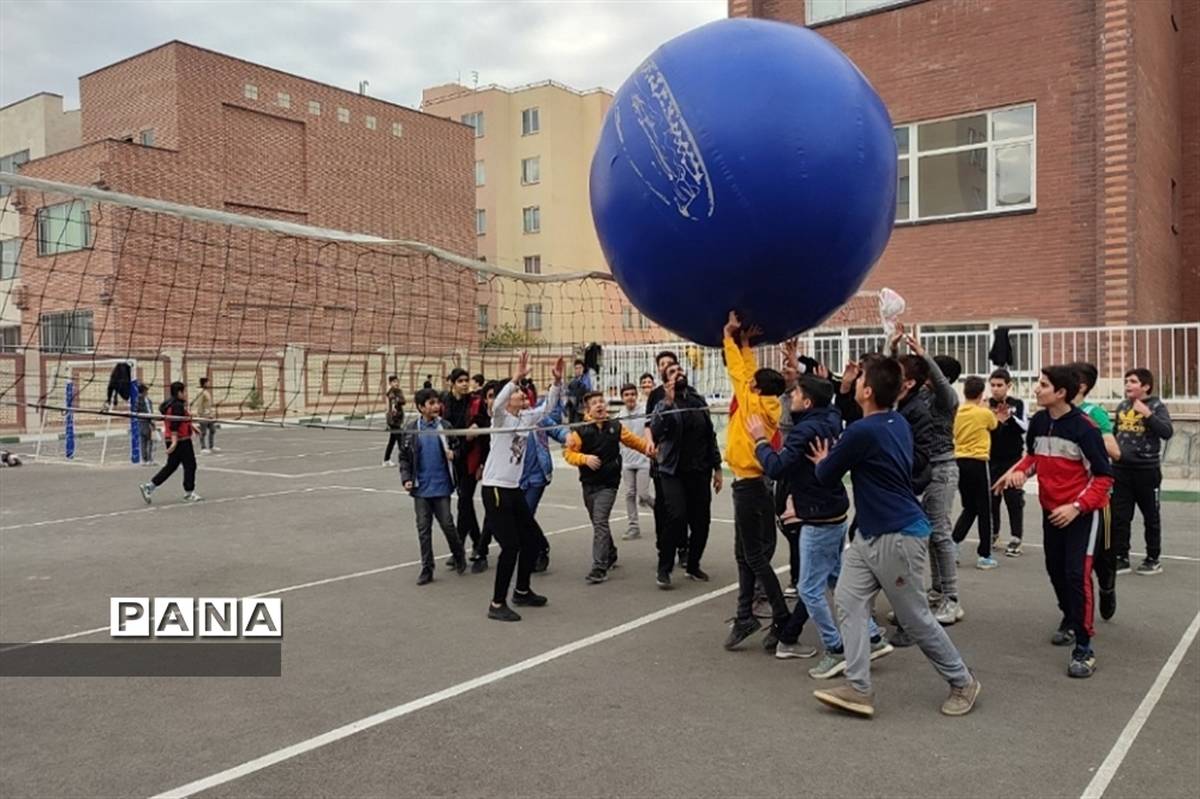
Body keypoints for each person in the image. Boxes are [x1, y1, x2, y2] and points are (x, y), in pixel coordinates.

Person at [810, 357, 979, 717]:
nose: (854, 383)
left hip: (898, 534)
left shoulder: (863, 431)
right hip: (869, 534)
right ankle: (858, 688)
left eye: (859, 381)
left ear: (868, 391)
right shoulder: (896, 421)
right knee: (848, 600)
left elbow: (826, 475)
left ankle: (962, 680)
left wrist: (822, 460)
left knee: (915, 617)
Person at [751, 374, 893, 671]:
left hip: (818, 516)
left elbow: (776, 467)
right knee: (836, 580)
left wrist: (760, 440)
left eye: (796, 392)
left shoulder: (805, 431)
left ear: (808, 400)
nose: (791, 397)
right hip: (833, 510)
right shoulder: (830, 416)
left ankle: (836, 646)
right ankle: (873, 637)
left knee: (808, 589)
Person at [994, 365, 1113, 678]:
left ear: (1061, 393)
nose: (1036, 389)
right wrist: (1018, 471)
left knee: (1077, 574)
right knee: (1055, 570)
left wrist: (1076, 506)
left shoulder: (1085, 429)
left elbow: (1103, 477)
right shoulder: (1040, 422)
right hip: (1051, 511)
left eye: (1043, 385)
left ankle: (1084, 648)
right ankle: (1071, 617)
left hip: (1082, 514)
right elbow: (1034, 456)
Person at [719, 311, 790, 651]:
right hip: (751, 485)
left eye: (753, 382)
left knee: (754, 557)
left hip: (750, 486)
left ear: (756, 388)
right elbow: (747, 374)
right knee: (743, 554)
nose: (748, 383)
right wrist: (747, 345)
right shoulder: (766, 401)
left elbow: (737, 372)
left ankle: (781, 615)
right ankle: (744, 613)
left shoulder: (751, 402)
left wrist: (728, 336)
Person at [482, 353, 563, 622]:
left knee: (530, 541)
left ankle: (522, 590)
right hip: (495, 489)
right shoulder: (501, 419)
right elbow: (497, 405)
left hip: (513, 489)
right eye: (518, 392)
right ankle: (496, 603)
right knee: (511, 546)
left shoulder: (526, 418)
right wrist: (515, 377)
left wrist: (557, 381)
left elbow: (549, 407)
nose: (522, 394)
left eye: (520, 391)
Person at [898, 332, 963, 626]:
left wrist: (924, 355)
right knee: (929, 534)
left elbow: (940, 384)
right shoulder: (919, 396)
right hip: (923, 470)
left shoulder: (946, 399)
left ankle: (952, 598)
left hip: (942, 469)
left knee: (940, 532)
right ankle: (937, 591)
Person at [565, 391, 655, 583]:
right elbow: (569, 454)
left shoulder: (616, 426)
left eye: (602, 402)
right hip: (589, 484)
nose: (600, 405)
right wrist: (584, 458)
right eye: (595, 403)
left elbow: (635, 442)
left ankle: (599, 567)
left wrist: (650, 451)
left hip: (609, 484)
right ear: (587, 409)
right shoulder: (580, 431)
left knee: (600, 520)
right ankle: (610, 552)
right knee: (599, 523)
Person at [649, 362, 722, 588]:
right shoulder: (663, 404)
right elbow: (657, 431)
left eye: (680, 370)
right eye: (672, 372)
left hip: (699, 470)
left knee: (702, 521)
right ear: (665, 381)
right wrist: (668, 403)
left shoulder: (697, 400)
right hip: (673, 471)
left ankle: (693, 564)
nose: (678, 373)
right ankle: (664, 568)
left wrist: (717, 467)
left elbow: (710, 435)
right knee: (677, 516)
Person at [399, 388, 467, 585]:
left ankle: (458, 554)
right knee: (423, 529)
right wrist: (406, 479)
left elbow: (459, 448)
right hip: (420, 488)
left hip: (442, 486)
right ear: (421, 407)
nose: (436, 406)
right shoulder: (412, 430)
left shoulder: (445, 426)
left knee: (447, 524)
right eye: (431, 403)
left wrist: (455, 455)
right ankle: (427, 568)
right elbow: (404, 458)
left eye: (437, 402)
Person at [1070, 362, 1121, 619]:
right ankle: (1073, 615)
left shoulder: (1094, 413)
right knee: (1074, 564)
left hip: (1097, 499)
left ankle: (1107, 587)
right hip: (1067, 498)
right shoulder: (1058, 412)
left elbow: (1115, 452)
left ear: (1080, 386)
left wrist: (1087, 434)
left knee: (1102, 555)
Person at [1112, 367, 1174, 575]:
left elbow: (1166, 432)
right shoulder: (1122, 406)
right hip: (1121, 470)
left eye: (1133, 381)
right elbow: (1115, 434)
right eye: (1126, 381)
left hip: (1146, 471)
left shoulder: (1156, 406)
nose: (1128, 385)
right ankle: (1121, 556)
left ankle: (1152, 558)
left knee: (1150, 516)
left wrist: (1147, 415)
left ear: (1145, 386)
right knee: (1120, 515)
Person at [951, 376, 999, 569]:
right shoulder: (983, 413)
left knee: (969, 506)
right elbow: (994, 425)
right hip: (978, 462)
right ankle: (984, 554)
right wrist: (988, 409)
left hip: (959, 460)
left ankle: (953, 543)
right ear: (981, 394)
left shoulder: (957, 412)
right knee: (984, 510)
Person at [519, 384, 567, 573]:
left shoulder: (537, 417)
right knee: (520, 517)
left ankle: (538, 550)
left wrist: (568, 436)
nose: (523, 402)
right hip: (516, 477)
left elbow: (557, 430)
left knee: (526, 515)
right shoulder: (508, 421)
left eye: (525, 399)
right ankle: (539, 544)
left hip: (537, 474)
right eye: (520, 398)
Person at [441, 368, 484, 569]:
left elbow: (484, 432)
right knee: (465, 502)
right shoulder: (444, 403)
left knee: (464, 501)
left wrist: (482, 462)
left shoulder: (475, 402)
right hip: (452, 458)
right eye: (460, 381)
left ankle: (458, 550)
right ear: (452, 383)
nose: (465, 384)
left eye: (467, 380)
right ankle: (478, 542)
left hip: (470, 459)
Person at [139, 381, 201, 504]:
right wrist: (174, 442)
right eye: (184, 391)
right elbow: (174, 424)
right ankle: (189, 492)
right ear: (179, 392)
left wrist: (192, 427)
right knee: (190, 465)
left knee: (171, 466)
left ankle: (149, 487)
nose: (185, 394)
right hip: (181, 441)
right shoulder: (177, 405)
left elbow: (181, 420)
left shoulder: (172, 404)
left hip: (176, 439)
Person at [987, 369, 1028, 557]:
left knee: (1013, 498)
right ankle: (993, 533)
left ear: (1008, 386)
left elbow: (1024, 427)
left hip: (1012, 459)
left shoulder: (1018, 404)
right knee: (992, 498)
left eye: (999, 385)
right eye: (993, 385)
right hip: (991, 458)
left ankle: (1016, 538)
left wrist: (1009, 418)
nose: (996, 389)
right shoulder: (986, 405)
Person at [618, 383, 654, 540]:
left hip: (643, 460)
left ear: (636, 395)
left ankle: (662, 513)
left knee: (644, 494)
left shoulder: (645, 411)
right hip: (627, 462)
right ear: (622, 398)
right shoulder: (619, 415)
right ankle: (633, 527)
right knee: (629, 494)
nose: (630, 397)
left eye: (632, 394)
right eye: (626, 395)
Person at [382, 375, 407, 467]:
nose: (396, 383)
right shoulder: (391, 393)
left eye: (397, 381)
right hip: (393, 420)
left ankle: (386, 460)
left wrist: (399, 400)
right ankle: (404, 460)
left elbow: (403, 401)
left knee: (392, 441)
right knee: (400, 440)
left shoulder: (399, 391)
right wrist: (389, 416)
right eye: (394, 382)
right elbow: (392, 403)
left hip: (399, 418)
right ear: (390, 383)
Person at [193, 376, 217, 454]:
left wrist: (212, 412)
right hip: (203, 415)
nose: (209, 383)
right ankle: (203, 447)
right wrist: (201, 414)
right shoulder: (201, 392)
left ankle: (211, 446)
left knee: (212, 430)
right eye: (208, 382)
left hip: (209, 415)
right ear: (205, 383)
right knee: (203, 432)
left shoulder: (206, 392)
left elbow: (208, 404)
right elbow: (199, 404)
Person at [136, 381, 157, 466]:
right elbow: (147, 411)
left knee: (144, 441)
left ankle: (145, 459)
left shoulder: (141, 400)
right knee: (148, 440)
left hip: (143, 421)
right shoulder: (143, 400)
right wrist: (151, 420)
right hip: (145, 421)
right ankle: (148, 459)